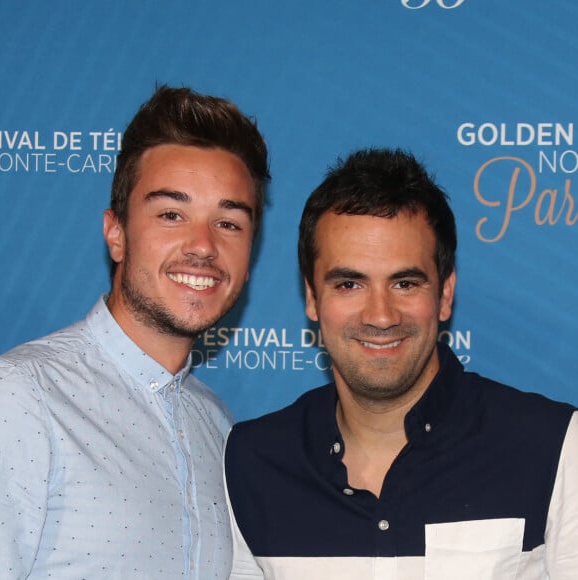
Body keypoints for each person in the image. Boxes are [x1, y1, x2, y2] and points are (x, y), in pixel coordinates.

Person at [224, 148, 578, 579]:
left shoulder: (555, 447)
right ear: (313, 299)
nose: (380, 315)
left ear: (445, 294)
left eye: (405, 283)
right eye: (350, 284)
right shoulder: (253, 461)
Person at [0, 85, 269, 578]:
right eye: (171, 214)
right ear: (116, 233)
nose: (203, 246)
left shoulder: (218, 425)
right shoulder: (20, 396)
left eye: (229, 223)